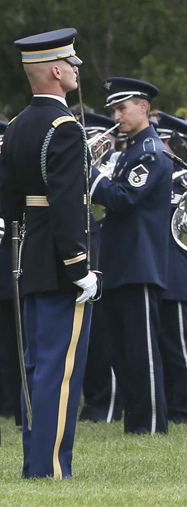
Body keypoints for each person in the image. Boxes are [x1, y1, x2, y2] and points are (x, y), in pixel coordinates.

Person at [0, 28, 98, 478]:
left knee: (38, 366)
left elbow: (9, 201)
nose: (77, 69)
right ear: (56, 71)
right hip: (60, 263)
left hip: (29, 257)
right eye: (72, 63)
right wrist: (79, 266)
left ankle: (35, 463)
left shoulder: (17, 125)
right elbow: (67, 202)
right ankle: (50, 467)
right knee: (59, 371)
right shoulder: (64, 128)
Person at [90, 78, 173, 435]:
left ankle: (151, 423)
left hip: (140, 263)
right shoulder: (130, 150)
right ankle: (137, 423)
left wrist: (88, 173)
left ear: (143, 106)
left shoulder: (150, 151)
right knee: (121, 351)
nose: (116, 116)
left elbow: (124, 198)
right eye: (113, 110)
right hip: (120, 262)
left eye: (121, 108)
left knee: (141, 351)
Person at [155, 112, 187, 424]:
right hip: (159, 268)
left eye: (163, 140)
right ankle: (169, 404)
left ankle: (185, 408)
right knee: (162, 343)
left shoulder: (184, 178)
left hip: (174, 269)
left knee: (176, 343)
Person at [77, 111, 123, 423]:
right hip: (85, 245)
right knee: (90, 335)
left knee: (105, 331)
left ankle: (108, 401)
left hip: (107, 251)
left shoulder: (116, 163)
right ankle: (95, 398)